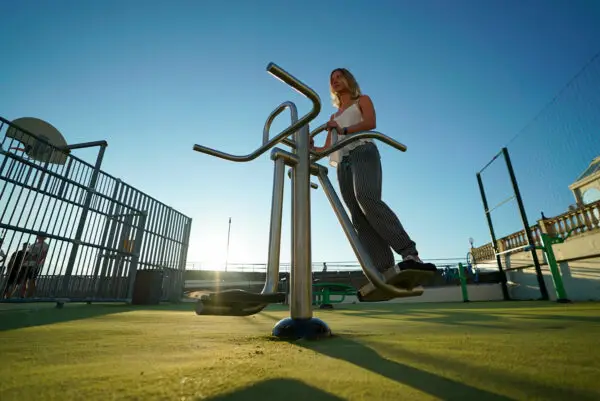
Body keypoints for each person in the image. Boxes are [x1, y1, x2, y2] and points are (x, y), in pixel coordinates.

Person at [311, 68, 437, 289]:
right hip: (343, 162)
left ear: (348, 80)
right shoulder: (333, 117)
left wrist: (345, 128)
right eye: (332, 79)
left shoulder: (362, 100)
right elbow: (328, 147)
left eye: (339, 76)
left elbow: (370, 123)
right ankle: (384, 267)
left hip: (363, 151)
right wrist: (313, 149)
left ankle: (410, 253)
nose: (335, 81)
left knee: (366, 198)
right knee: (357, 215)